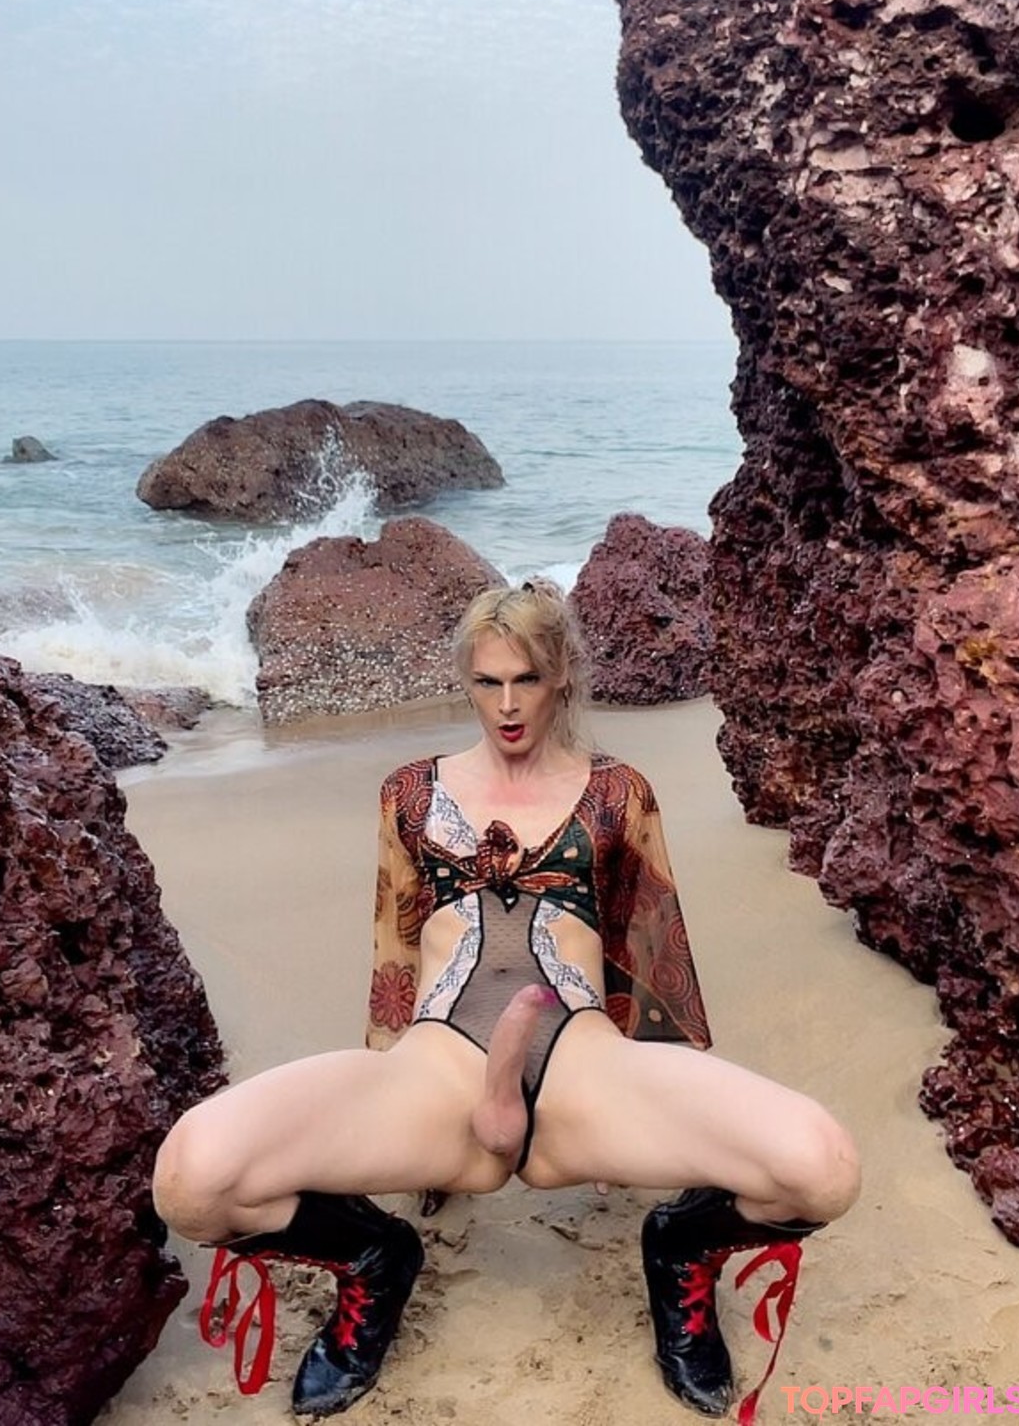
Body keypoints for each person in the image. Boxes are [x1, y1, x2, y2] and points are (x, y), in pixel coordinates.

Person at [153, 581, 860, 1422]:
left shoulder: (619, 791)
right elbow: (394, 950)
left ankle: (680, 1247)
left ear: (562, 675)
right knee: (192, 1179)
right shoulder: (410, 793)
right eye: (487, 682)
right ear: (466, 680)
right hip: (441, 1072)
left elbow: (651, 953)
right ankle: (373, 1257)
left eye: (526, 679)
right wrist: (390, 1118)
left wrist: (658, 1110)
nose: (508, 705)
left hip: (583, 1071)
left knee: (822, 1168)